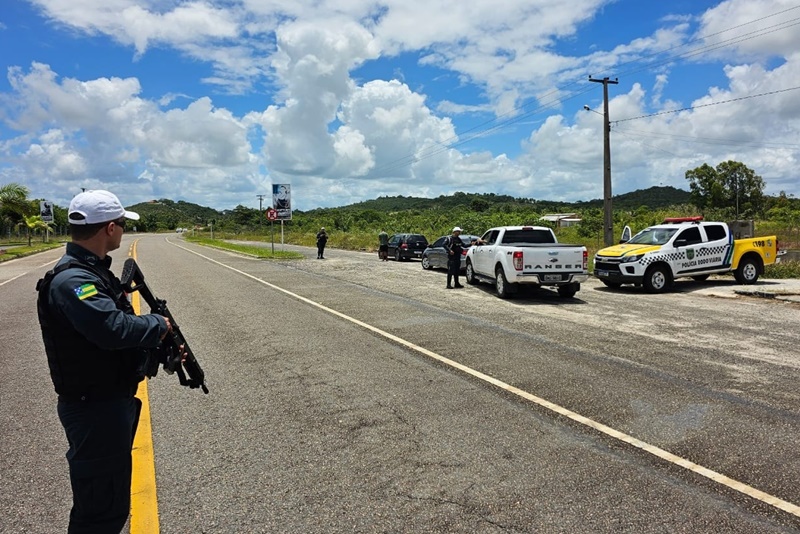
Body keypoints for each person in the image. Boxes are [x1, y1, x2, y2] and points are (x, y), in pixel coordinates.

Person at [36, 190, 172, 534]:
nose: (123, 231)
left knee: (109, 503)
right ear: (110, 229)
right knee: (99, 511)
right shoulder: (74, 280)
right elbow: (112, 329)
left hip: (108, 402)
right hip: (94, 409)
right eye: (123, 225)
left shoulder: (92, 273)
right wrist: (158, 325)